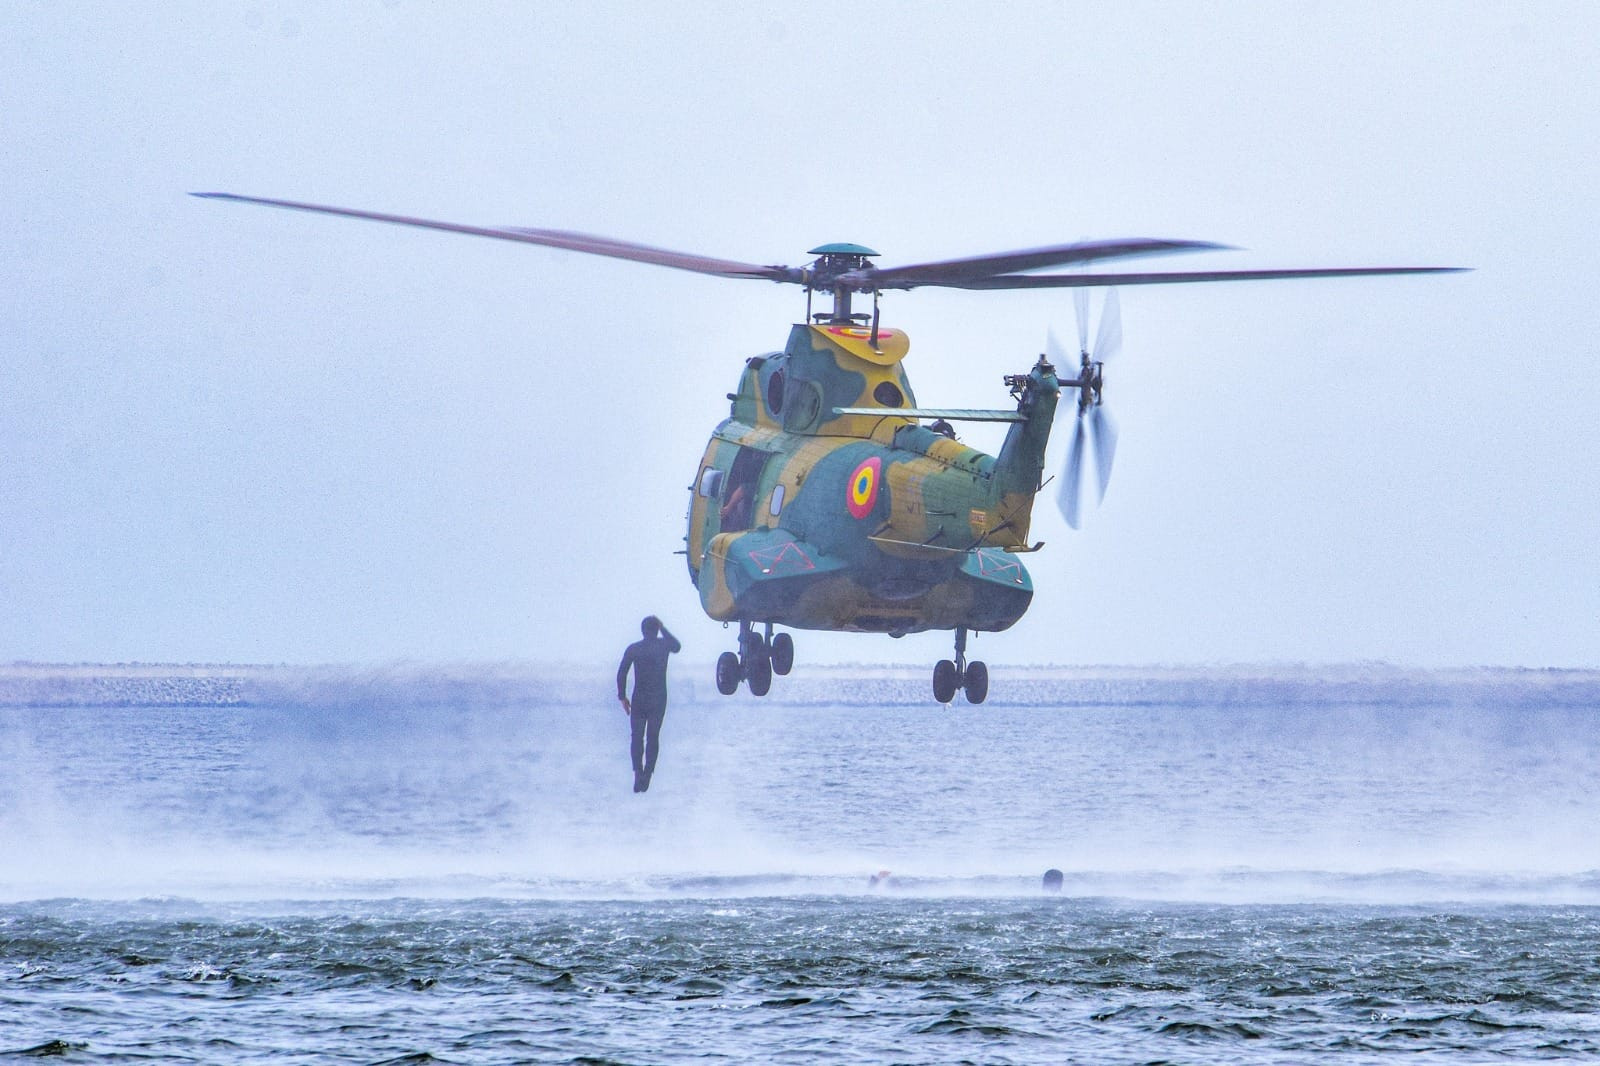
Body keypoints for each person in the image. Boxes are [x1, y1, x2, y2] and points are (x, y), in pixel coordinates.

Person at [616, 615, 681, 793]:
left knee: (637, 736)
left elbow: (621, 673)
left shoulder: (634, 648)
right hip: (658, 698)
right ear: (656, 630)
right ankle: (648, 774)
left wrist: (622, 697)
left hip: (640, 698)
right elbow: (677, 646)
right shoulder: (663, 645)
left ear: (642, 630)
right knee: (653, 737)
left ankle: (638, 772)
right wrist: (663, 628)